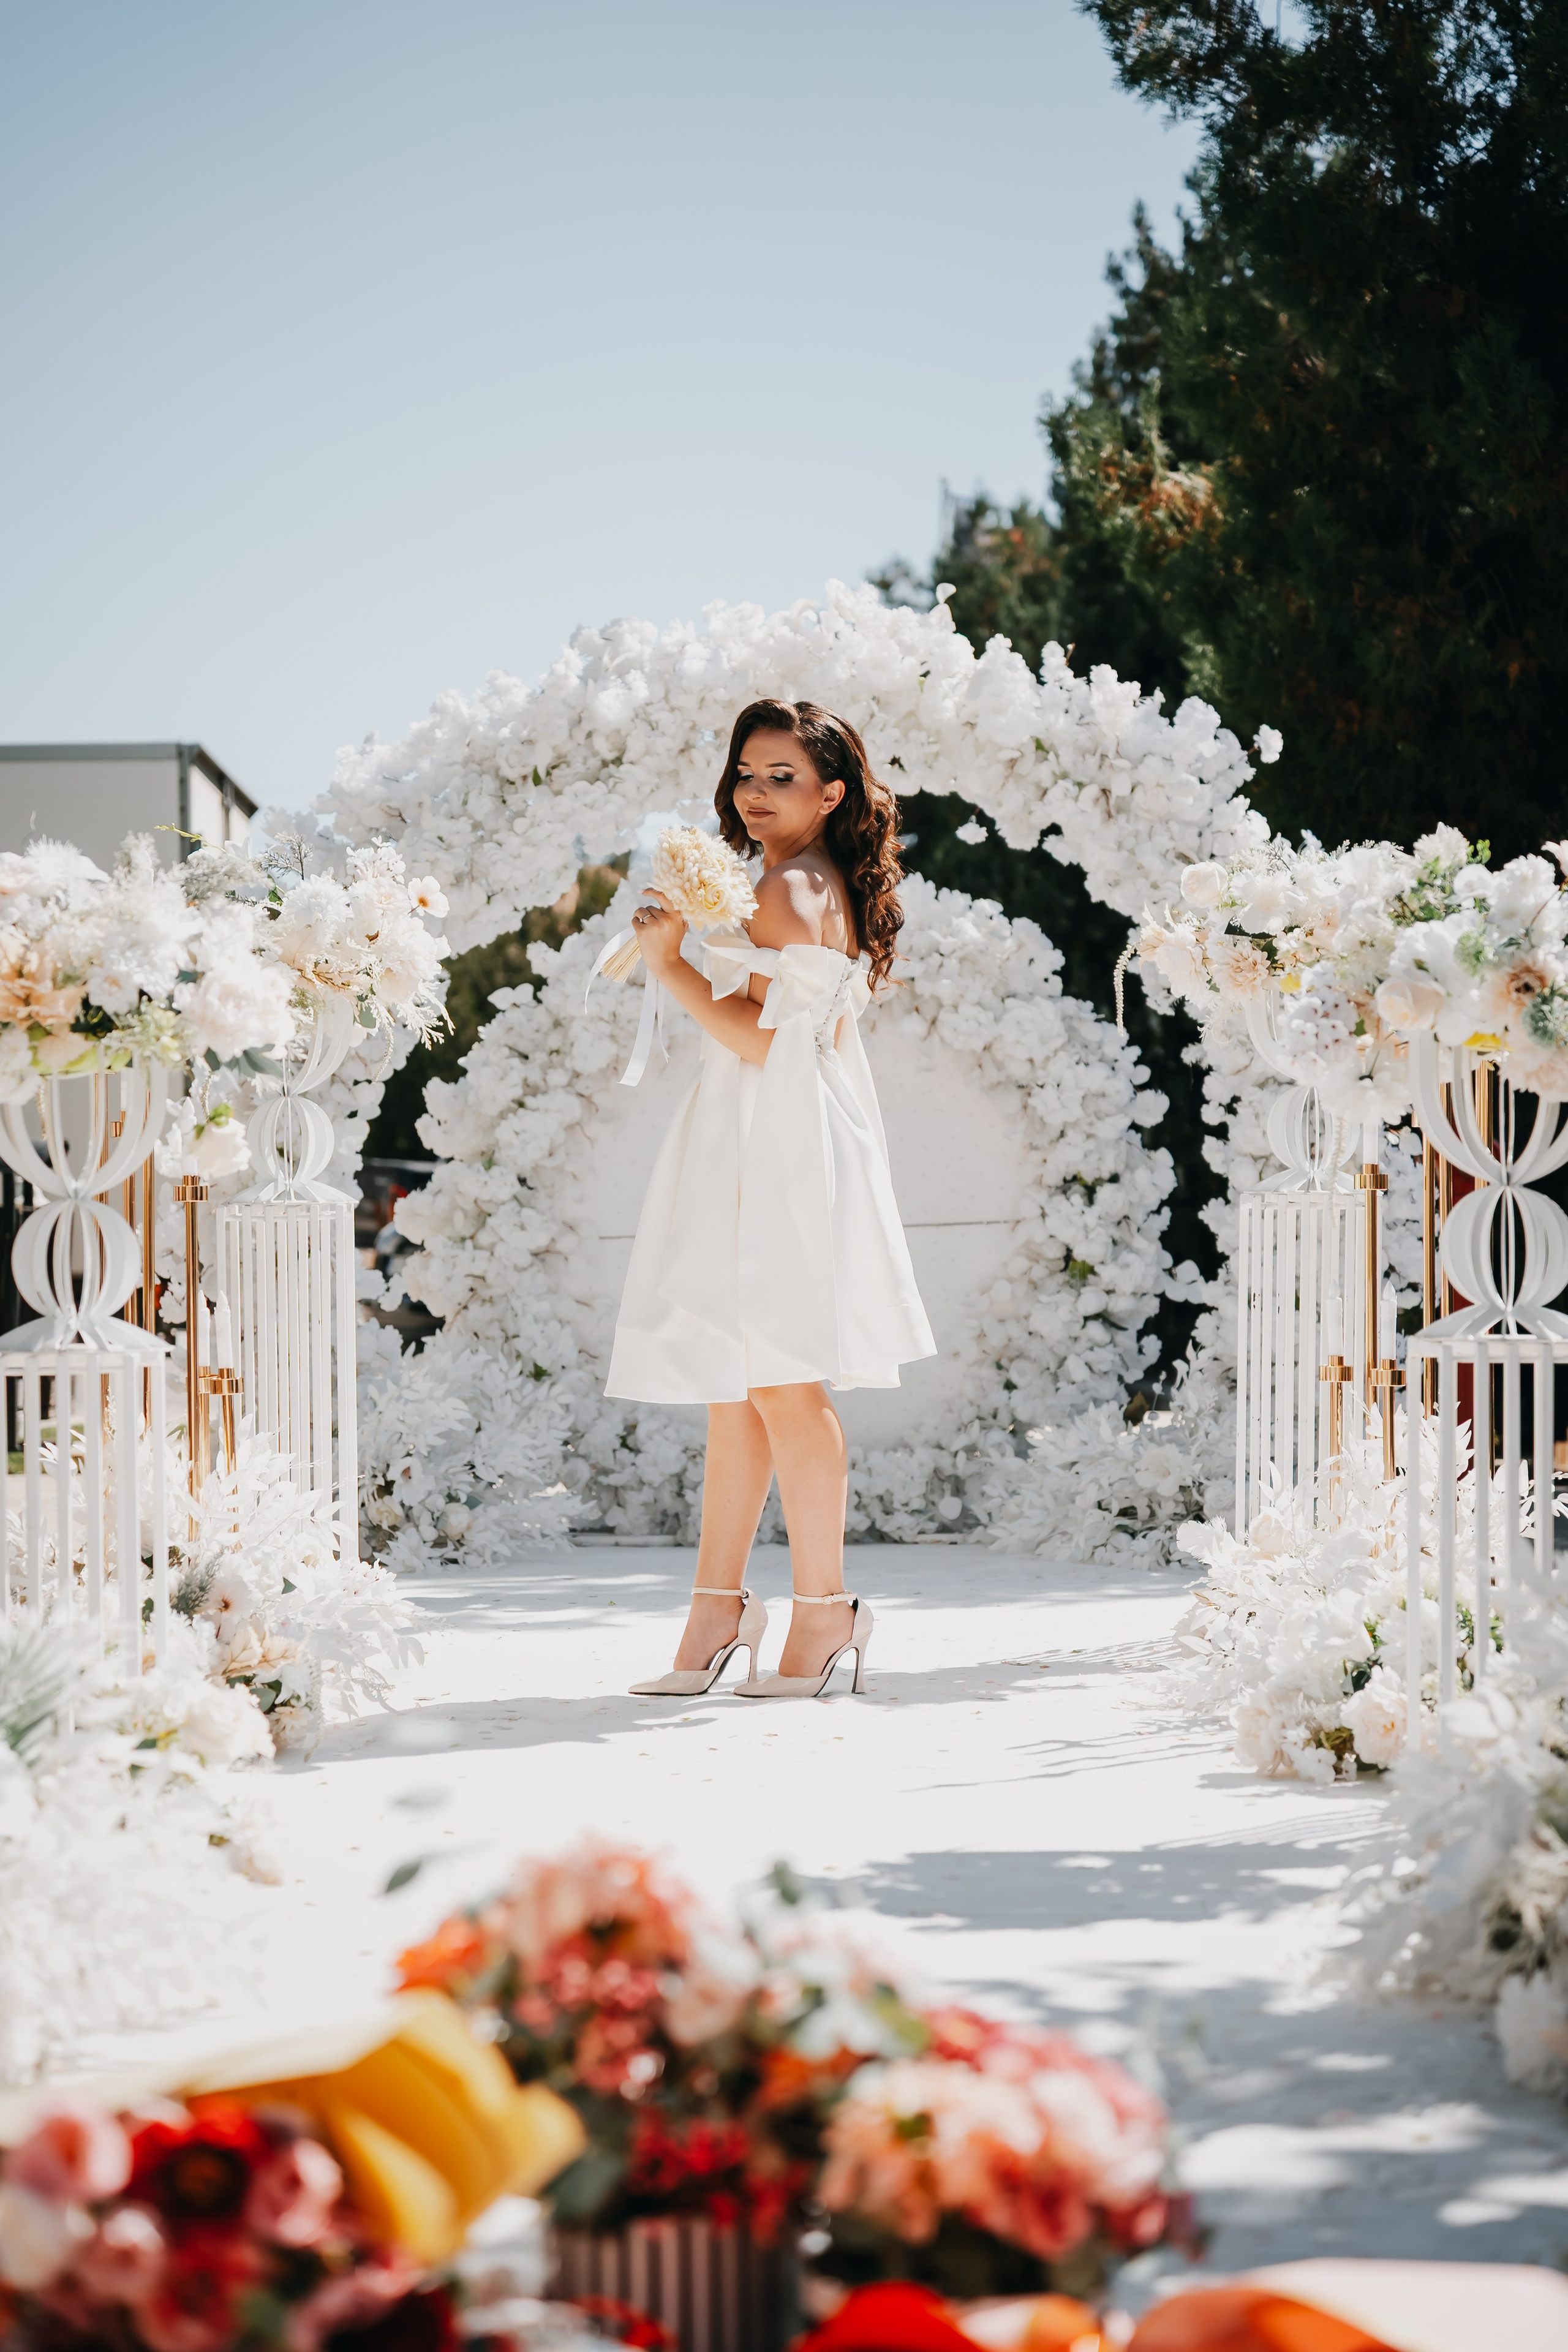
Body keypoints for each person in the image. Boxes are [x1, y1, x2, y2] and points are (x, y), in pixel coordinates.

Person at [609, 698, 935, 1700]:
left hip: (780, 1137)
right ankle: (719, 1608)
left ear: (833, 793)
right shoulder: (799, 882)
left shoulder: (792, 889)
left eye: (781, 776)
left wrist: (669, 967)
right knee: (736, 1386)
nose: (756, 793)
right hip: (765, 1131)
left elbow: (767, 1042)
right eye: (747, 773)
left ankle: (825, 1612)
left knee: (784, 1382)